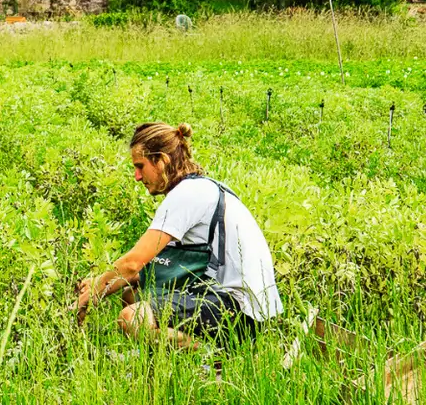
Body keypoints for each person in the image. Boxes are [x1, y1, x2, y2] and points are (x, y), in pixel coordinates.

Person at [71, 122, 281, 348]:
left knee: (132, 317)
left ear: (162, 160)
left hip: (239, 310)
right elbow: (147, 269)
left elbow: (133, 263)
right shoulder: (200, 189)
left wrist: (95, 290)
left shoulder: (188, 194)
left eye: (140, 166)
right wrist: (100, 286)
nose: (137, 176)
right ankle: (171, 361)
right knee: (132, 294)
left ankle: (212, 355)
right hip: (235, 303)